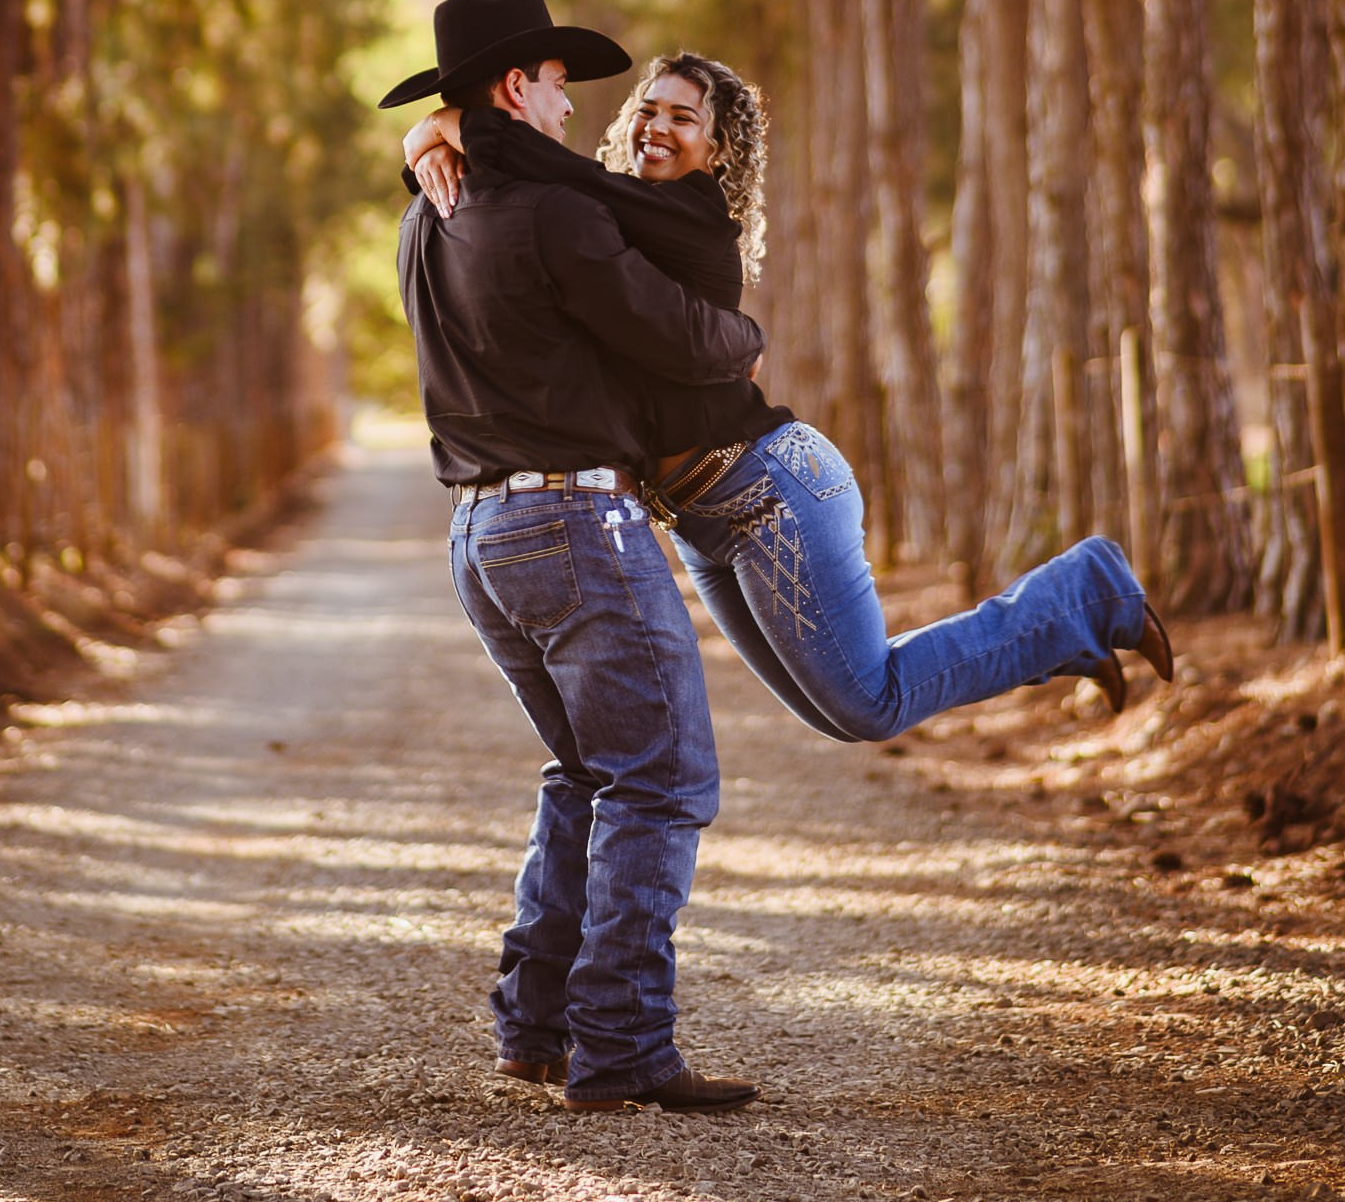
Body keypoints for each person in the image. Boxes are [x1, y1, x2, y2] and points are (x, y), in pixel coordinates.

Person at [403, 48, 1172, 749]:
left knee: (868, 705)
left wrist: (446, 125)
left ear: (717, 150)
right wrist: (427, 150)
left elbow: (547, 170)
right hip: (700, 519)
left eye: (683, 118)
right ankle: (1059, 637)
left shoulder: (691, 215)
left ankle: (1085, 589)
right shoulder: (612, 211)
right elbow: (526, 201)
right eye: (647, 109)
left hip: (769, 490)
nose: (657, 128)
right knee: (835, 713)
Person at [382, 0, 764, 1113]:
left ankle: (537, 1025)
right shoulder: (555, 212)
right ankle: (623, 1043)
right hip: (573, 522)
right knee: (661, 779)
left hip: (479, 535)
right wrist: (744, 339)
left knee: (589, 773)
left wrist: (429, 139)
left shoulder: (422, 217)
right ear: (515, 86)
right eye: (556, 83)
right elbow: (680, 338)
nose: (568, 104)